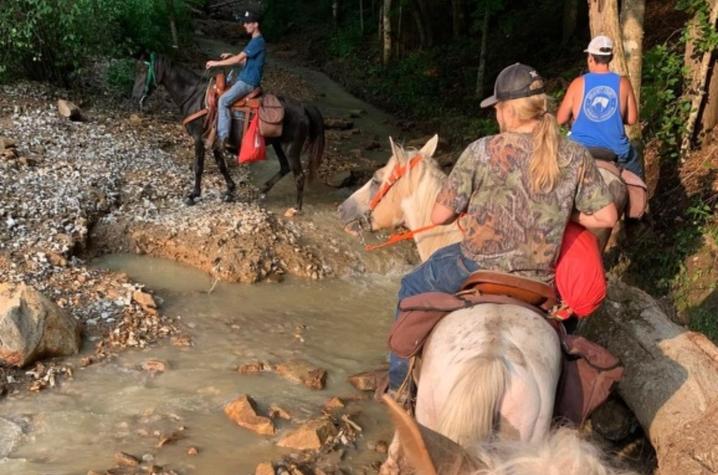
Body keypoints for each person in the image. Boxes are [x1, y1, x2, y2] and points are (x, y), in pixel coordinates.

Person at [388, 63, 618, 390]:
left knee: (410, 286)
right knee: (568, 326)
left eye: (497, 108)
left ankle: (399, 389)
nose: (496, 114)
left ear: (509, 111)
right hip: (540, 276)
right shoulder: (575, 155)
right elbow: (607, 217)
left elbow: (439, 217)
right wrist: (564, 212)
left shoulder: (481, 150)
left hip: (475, 264)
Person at [557, 35, 643, 178]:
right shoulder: (623, 83)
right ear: (611, 57)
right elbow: (632, 119)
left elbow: (560, 119)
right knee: (636, 181)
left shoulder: (578, 83)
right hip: (615, 151)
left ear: (591, 58)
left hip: (580, 148)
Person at [205, 9, 266, 151]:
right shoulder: (254, 41)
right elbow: (245, 62)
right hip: (245, 78)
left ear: (255, 24)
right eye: (244, 23)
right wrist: (231, 55)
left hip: (248, 82)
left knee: (223, 100)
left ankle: (223, 137)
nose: (245, 25)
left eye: (248, 23)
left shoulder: (257, 41)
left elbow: (239, 58)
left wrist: (216, 63)